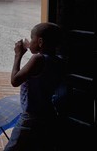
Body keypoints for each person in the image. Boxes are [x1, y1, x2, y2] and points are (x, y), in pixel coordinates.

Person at [4, 22, 66, 151]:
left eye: (32, 38)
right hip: (49, 116)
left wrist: (18, 55)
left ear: (40, 42)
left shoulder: (38, 59)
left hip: (31, 119)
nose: (30, 41)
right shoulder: (59, 61)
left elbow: (15, 81)